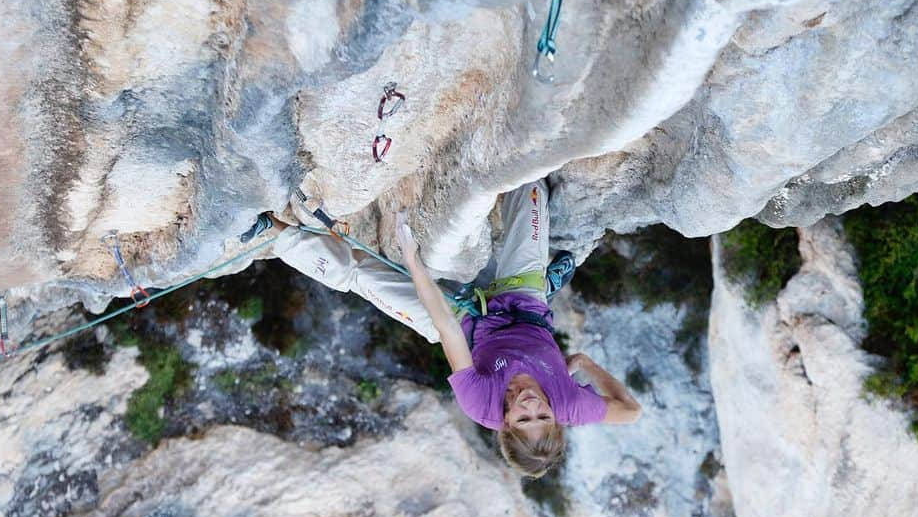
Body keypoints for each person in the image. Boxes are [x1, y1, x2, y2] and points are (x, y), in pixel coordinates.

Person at [245, 180, 642, 477]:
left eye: (523, 420)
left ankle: (273, 232)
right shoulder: (570, 404)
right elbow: (631, 412)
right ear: (557, 419)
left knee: (361, 277)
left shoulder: (481, 403)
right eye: (542, 417)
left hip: (466, 321)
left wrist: (413, 259)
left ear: (505, 425)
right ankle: (547, 282)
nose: (531, 407)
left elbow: (446, 325)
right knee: (530, 190)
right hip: (525, 305)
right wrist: (586, 364)